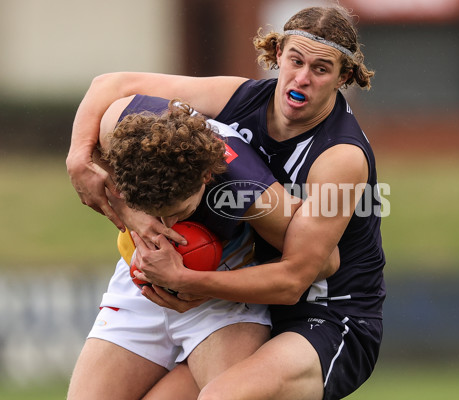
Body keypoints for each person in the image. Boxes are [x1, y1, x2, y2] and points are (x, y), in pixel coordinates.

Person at [67, 5, 385, 399]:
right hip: (240, 284)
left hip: (326, 313)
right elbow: (109, 86)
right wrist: (80, 157)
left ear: (344, 77)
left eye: (321, 69)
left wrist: (185, 280)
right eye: (295, 60)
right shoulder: (242, 97)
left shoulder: (340, 156)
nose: (302, 77)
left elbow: (300, 276)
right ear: (277, 53)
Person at [67, 94, 338, 400]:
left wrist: (198, 283)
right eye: (154, 209)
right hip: (143, 279)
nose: (167, 224)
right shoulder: (121, 126)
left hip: (225, 300)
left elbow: (324, 262)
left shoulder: (249, 192)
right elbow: (101, 119)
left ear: (206, 177)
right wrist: (133, 214)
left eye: (178, 211)